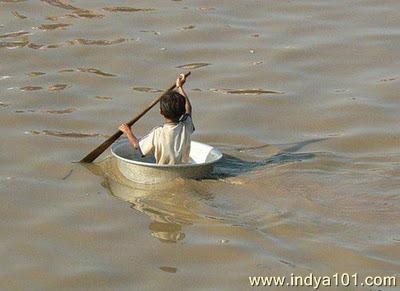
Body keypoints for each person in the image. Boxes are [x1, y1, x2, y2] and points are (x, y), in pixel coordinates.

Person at [118, 73, 194, 165]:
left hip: (163, 171)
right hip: (183, 169)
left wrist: (128, 131)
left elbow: (138, 147)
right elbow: (188, 108)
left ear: (160, 112)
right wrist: (180, 87)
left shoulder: (157, 133)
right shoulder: (186, 126)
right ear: (182, 112)